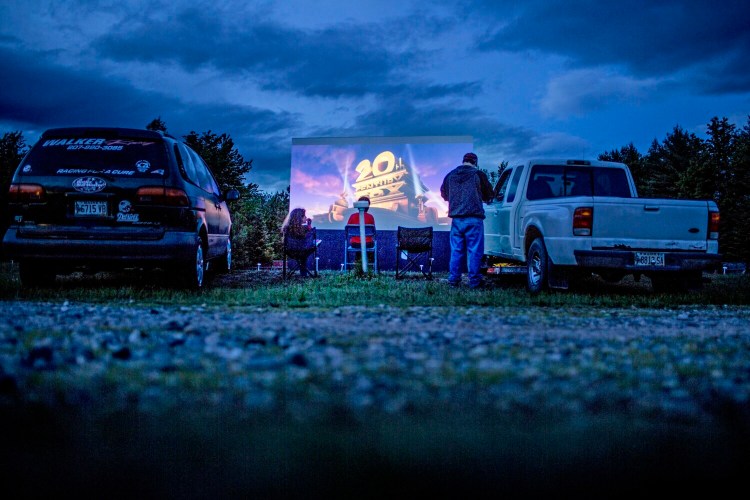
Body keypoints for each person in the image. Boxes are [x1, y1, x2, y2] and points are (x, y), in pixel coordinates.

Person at [440, 152, 494, 289]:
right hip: (474, 219)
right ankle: (474, 282)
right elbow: (489, 195)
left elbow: (444, 194)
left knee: (456, 250)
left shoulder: (450, 175)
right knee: (475, 251)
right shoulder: (478, 174)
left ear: (463, 161)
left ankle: (453, 280)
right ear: (475, 162)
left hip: (456, 220)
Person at [281, 207, 317, 277]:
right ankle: (303, 274)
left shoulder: (286, 228)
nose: (306, 218)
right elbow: (309, 238)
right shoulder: (305, 228)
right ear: (300, 218)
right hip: (304, 251)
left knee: (302, 250)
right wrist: (309, 225)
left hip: (290, 251)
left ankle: (302, 273)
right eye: (304, 216)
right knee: (306, 249)